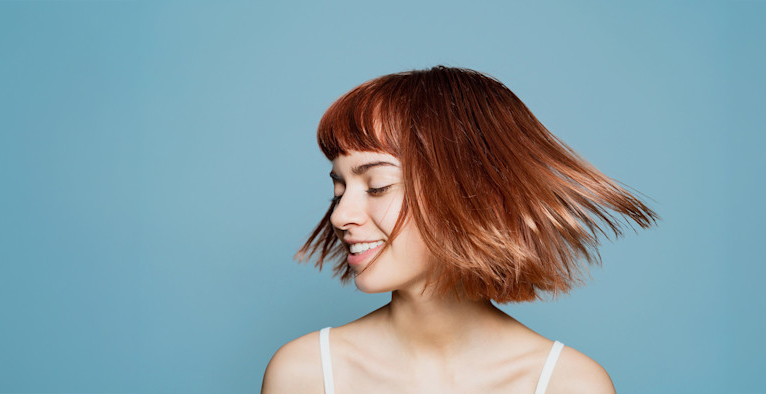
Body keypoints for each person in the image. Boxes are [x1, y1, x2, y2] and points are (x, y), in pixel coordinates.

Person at [261, 66, 658, 393]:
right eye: (339, 189)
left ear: (471, 190)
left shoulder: (569, 384)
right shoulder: (305, 374)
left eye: (377, 186)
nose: (340, 216)